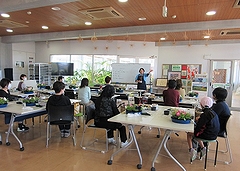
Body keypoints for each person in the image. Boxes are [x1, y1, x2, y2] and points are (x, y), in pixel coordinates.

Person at [187, 97, 220, 161]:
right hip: (214, 135)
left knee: (189, 134)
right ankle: (203, 148)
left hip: (207, 136)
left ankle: (191, 150)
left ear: (201, 105)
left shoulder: (204, 115)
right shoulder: (213, 113)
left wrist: (194, 129)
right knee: (200, 133)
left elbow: (199, 129)